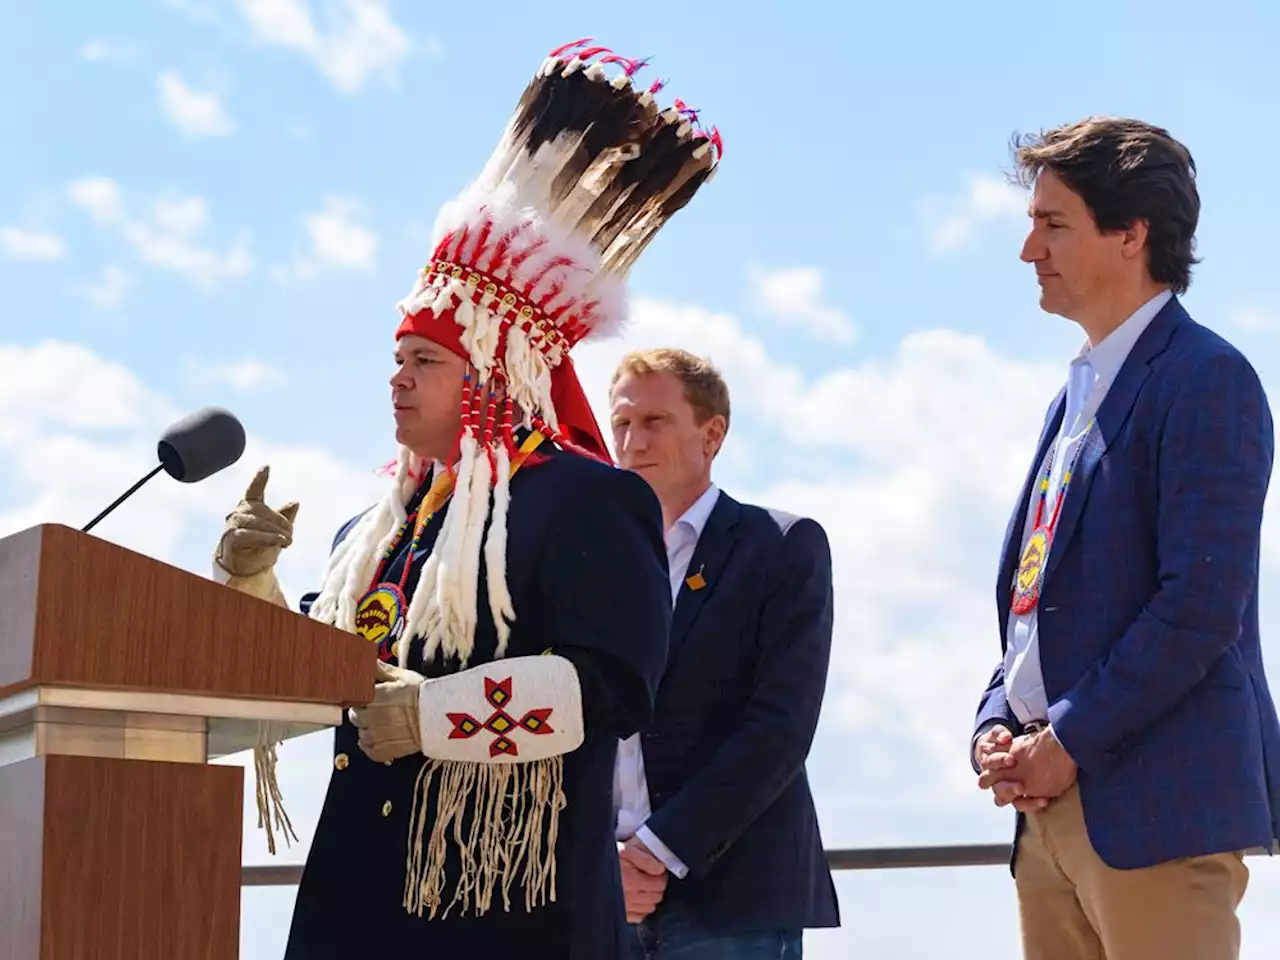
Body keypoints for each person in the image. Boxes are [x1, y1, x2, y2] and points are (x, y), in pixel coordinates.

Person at [212, 38, 722, 958]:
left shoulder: (587, 502)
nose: (398, 380)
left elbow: (615, 688)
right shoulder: (377, 528)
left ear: (490, 373)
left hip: (502, 912)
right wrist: (252, 587)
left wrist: (437, 718)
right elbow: (324, 678)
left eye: (425, 361)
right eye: (397, 359)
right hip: (362, 893)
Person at [970, 116, 1280, 960]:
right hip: (1048, 820)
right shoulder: (1072, 399)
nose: (1029, 248)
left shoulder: (1207, 377)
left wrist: (1064, 740)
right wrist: (997, 720)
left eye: (1053, 223)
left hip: (1154, 815)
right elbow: (1038, 602)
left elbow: (1201, 604)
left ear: (1131, 234)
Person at [606, 348, 839, 959]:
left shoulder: (782, 546)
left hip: (732, 904)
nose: (633, 442)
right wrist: (602, 862)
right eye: (622, 424)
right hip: (602, 897)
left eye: (654, 422)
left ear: (712, 434)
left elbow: (779, 729)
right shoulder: (592, 565)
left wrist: (657, 849)